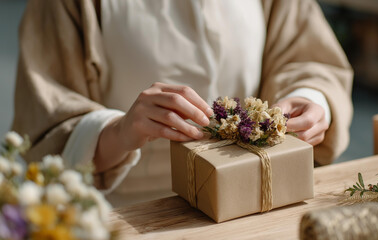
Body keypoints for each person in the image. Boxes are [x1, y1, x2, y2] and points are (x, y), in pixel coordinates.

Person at [13, 0, 353, 206]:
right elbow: (46, 119)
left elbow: (307, 55)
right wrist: (119, 132)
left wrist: (310, 98)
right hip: (132, 214)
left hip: (254, 198)